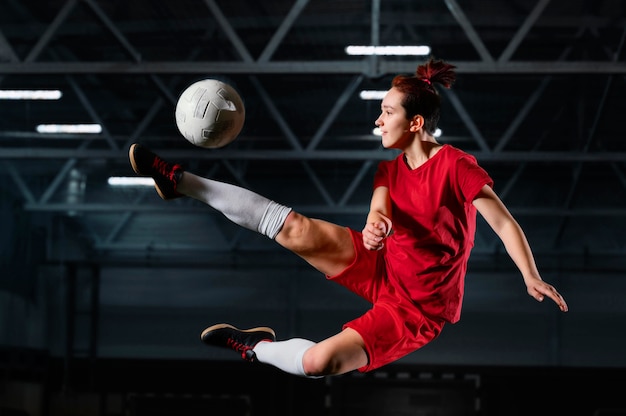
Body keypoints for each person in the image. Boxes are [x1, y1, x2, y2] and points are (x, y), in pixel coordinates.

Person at [128, 58, 568, 379]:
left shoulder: (455, 165)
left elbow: (503, 221)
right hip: (382, 264)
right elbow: (379, 208)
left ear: (415, 123)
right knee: (294, 228)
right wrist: (377, 227)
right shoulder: (390, 169)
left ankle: (256, 347)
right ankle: (177, 179)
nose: (379, 121)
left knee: (320, 362)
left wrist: (529, 274)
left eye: (388, 112)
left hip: (416, 309)